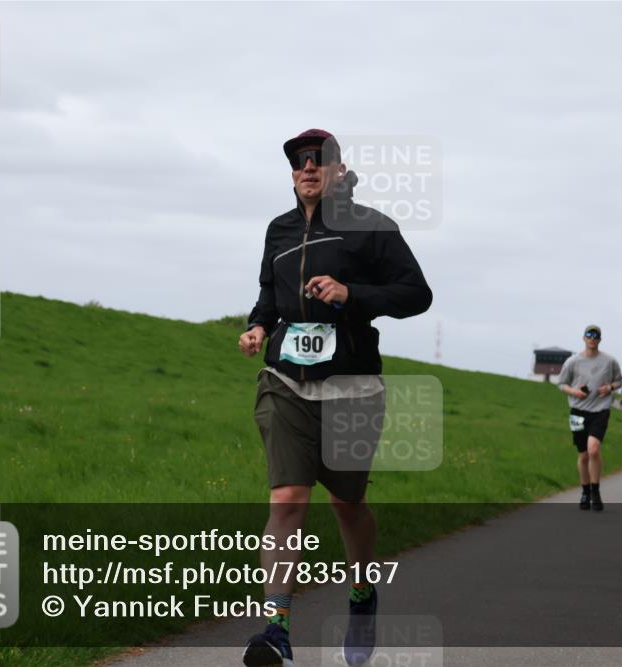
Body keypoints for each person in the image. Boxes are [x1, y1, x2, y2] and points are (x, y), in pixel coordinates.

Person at [238, 129, 433, 667]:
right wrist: (258, 328)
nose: (307, 170)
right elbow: (267, 296)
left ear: (339, 171)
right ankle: (276, 628)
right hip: (286, 383)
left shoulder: (371, 226)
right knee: (287, 499)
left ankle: (362, 595)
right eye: (299, 164)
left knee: (347, 504)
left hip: (352, 386)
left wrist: (353, 296)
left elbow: (417, 294)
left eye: (318, 163)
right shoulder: (278, 231)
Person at [556, 324, 622, 512]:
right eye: (589, 335)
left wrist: (609, 388)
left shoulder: (610, 361)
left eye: (596, 336)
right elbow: (561, 384)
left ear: (600, 339)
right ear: (583, 338)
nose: (592, 338)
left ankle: (595, 491)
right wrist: (574, 391)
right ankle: (584, 491)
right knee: (583, 454)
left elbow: (619, 381)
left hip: (600, 411)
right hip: (578, 411)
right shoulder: (572, 362)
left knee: (593, 449)